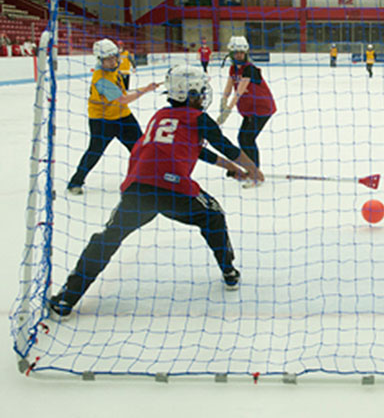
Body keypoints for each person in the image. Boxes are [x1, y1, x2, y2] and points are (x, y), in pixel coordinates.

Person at [47, 65, 264, 319]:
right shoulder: (198, 119)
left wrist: (231, 169)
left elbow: (197, 149)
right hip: (174, 190)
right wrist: (253, 169)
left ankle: (66, 298)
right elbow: (224, 145)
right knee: (213, 215)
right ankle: (229, 271)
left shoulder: (160, 115)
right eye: (200, 92)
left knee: (108, 238)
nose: (203, 96)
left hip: (138, 188)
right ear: (190, 94)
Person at [66, 38, 160, 195]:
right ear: (100, 60)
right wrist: (146, 90)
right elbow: (122, 99)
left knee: (140, 148)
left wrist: (145, 87)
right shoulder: (101, 78)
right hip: (103, 121)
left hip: (123, 116)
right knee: (95, 151)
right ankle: (75, 183)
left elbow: (121, 94)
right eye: (107, 59)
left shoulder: (114, 70)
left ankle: (152, 178)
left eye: (114, 57)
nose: (112, 61)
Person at [217, 36, 276, 187]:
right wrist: (223, 102)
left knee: (247, 139)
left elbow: (240, 91)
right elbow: (229, 87)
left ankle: (255, 174)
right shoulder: (233, 68)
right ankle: (251, 169)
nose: (239, 56)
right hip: (250, 110)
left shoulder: (249, 69)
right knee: (243, 138)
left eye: (241, 53)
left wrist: (228, 110)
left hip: (261, 109)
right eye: (236, 53)